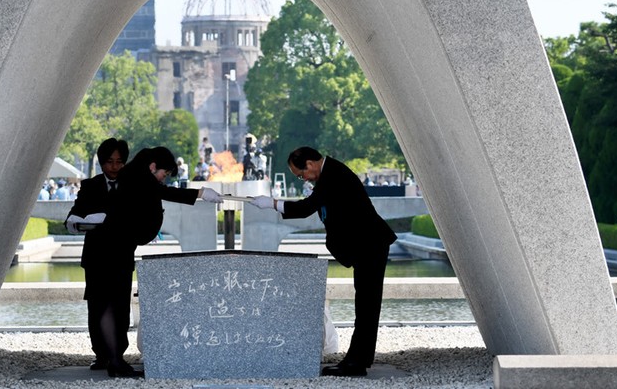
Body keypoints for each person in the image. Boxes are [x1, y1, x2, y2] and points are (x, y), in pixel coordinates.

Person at [66, 142, 223, 378]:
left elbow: (161, 193)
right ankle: (107, 356)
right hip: (98, 255)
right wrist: (77, 222)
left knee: (118, 306)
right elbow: (74, 215)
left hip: (120, 253)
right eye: (110, 161)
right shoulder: (92, 185)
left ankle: (116, 356)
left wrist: (199, 193)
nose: (115, 166)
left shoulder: (132, 178)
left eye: (119, 161)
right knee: (99, 306)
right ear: (101, 162)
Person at [249, 146, 396, 377]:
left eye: (300, 174)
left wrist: (273, 204)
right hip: (368, 245)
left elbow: (307, 207)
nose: (302, 178)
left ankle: (355, 363)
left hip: (370, 244)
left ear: (310, 164)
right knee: (367, 303)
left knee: (366, 304)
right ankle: (361, 358)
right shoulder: (330, 174)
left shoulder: (333, 176)